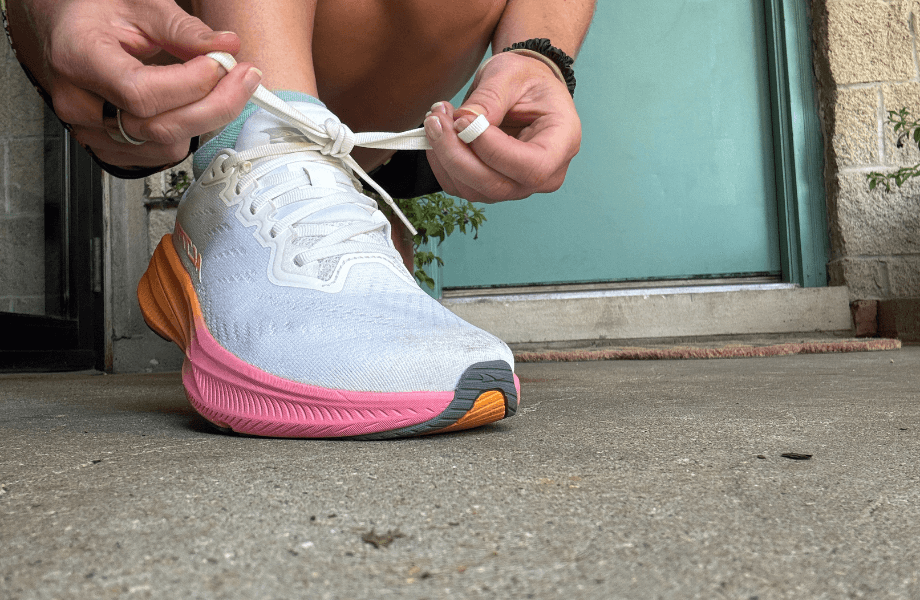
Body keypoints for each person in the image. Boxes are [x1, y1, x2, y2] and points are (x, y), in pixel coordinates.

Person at [4, 0, 595, 438]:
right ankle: (261, 161)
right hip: (178, 81)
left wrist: (538, 56)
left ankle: (302, 214)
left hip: (384, 140)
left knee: (389, 350)